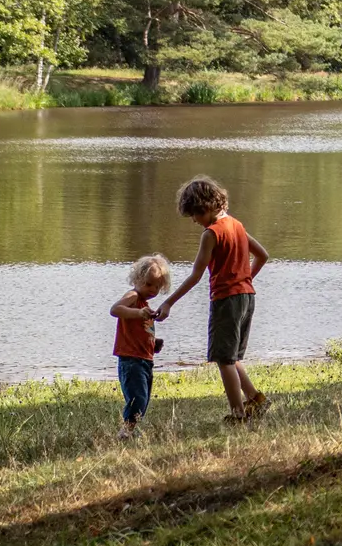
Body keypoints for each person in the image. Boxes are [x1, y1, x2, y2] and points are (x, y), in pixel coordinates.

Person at [159, 176, 271, 423]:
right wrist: (245, 280)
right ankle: (255, 399)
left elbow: (196, 275)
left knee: (224, 359)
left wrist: (169, 302)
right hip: (247, 297)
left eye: (194, 215)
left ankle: (238, 414)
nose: (194, 221)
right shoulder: (237, 225)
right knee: (232, 357)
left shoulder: (211, 234)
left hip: (227, 300)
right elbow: (262, 255)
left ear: (205, 207)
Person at [110, 254, 170, 439]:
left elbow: (141, 331)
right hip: (130, 359)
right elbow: (115, 310)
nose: (153, 290)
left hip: (145, 359)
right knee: (138, 398)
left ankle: (130, 430)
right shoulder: (133, 297)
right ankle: (125, 432)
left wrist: (153, 342)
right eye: (149, 284)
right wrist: (137, 312)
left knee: (144, 400)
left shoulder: (145, 305)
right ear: (137, 279)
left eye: (158, 287)